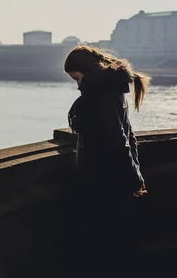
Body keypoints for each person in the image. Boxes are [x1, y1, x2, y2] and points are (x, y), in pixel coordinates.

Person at [64, 45, 149, 276]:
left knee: (101, 245)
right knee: (118, 243)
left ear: (86, 71)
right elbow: (128, 134)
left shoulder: (97, 95)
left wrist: (133, 179)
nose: (78, 85)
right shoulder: (114, 89)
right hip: (115, 180)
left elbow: (118, 139)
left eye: (77, 78)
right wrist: (136, 175)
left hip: (102, 181)